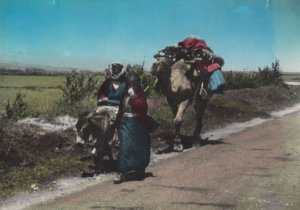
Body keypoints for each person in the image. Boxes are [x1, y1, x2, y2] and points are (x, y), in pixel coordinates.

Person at [113, 74, 151, 184]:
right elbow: (121, 110)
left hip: (138, 124)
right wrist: (117, 124)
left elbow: (142, 107)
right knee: (125, 147)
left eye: (133, 85)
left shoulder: (140, 96)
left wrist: (134, 97)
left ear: (137, 85)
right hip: (125, 123)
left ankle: (139, 170)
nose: (131, 87)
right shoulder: (124, 96)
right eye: (129, 84)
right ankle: (121, 173)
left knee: (140, 148)